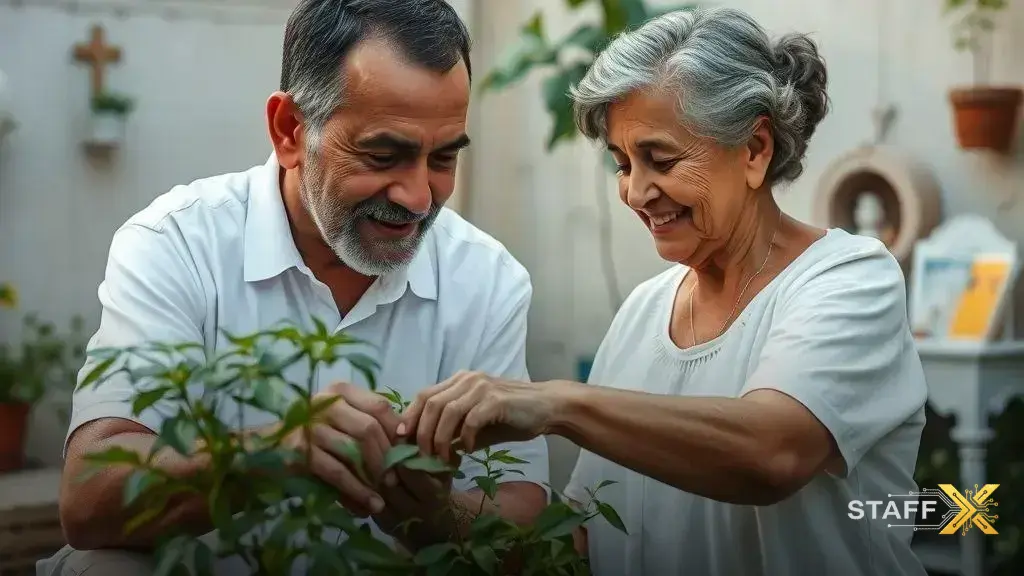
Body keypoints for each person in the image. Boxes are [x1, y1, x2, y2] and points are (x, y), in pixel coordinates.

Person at [401, 7, 929, 576]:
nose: (636, 191)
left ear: (755, 149)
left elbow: (772, 453)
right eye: (623, 164)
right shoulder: (645, 311)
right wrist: (424, 511)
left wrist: (555, 404)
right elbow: (580, 546)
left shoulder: (849, 278)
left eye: (661, 158)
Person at [43, 1, 548, 574]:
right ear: (289, 130)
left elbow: (526, 525)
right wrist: (274, 452)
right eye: (384, 155)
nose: (418, 197)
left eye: (443, 158)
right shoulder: (179, 243)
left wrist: (429, 511)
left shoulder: (486, 280)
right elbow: (90, 498)